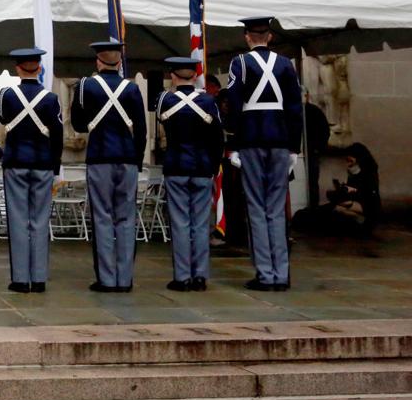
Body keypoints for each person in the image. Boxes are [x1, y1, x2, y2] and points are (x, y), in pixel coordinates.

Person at [226, 16, 303, 292]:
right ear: (269, 36)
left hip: (252, 140)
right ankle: (281, 274)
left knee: (257, 209)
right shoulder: (285, 64)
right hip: (280, 140)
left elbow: (234, 105)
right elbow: (295, 108)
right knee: (276, 209)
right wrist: (295, 147)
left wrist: (233, 144)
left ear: (247, 36)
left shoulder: (240, 63)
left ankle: (265, 274)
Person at [71, 40, 147, 293]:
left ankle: (106, 278)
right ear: (119, 62)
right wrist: (137, 160)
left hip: (100, 156)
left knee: (102, 218)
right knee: (126, 218)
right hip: (127, 158)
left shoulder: (86, 86)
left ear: (98, 61)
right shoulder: (132, 89)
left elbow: (78, 124)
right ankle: (124, 279)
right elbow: (141, 130)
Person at [0, 47, 63, 293]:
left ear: (17, 69)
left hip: (15, 162)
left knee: (18, 221)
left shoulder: (7, 95)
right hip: (43, 163)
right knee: (40, 221)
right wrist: (55, 166)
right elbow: (58, 135)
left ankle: (21, 279)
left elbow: (0, 116)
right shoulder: (51, 99)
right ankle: (39, 278)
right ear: (39, 69)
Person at [156, 57, 223, 292]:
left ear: (172, 76)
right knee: (201, 224)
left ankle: (182, 276)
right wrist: (213, 166)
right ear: (195, 76)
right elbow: (217, 138)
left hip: (176, 165)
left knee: (180, 224)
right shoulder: (209, 101)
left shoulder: (165, 99)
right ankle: (200, 276)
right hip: (202, 167)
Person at [296, 142, 381, 236]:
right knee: (323, 211)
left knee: (333, 212)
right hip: (351, 204)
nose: (348, 162)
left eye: (350, 159)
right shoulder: (354, 173)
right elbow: (353, 191)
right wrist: (343, 189)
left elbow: (367, 202)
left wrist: (348, 199)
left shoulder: (368, 176)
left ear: (359, 159)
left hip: (363, 210)